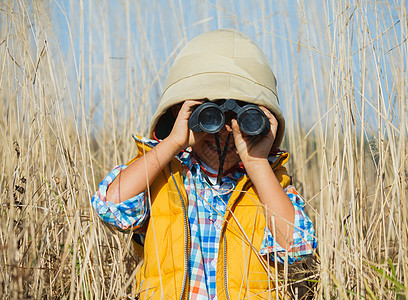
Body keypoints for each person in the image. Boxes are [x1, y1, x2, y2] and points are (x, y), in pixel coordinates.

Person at [91, 29, 316, 299]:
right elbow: (111, 207)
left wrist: (256, 164)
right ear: (179, 112)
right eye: (209, 117)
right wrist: (174, 141)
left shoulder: (268, 184)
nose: (223, 133)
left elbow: (296, 247)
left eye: (242, 121)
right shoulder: (163, 175)